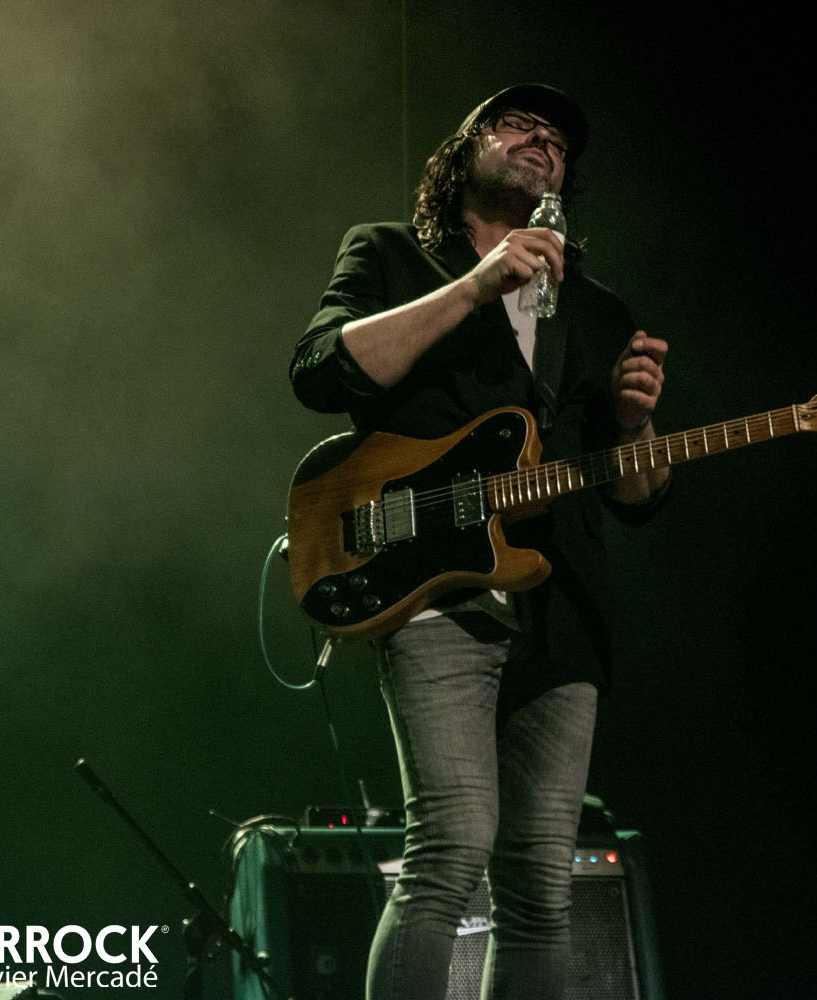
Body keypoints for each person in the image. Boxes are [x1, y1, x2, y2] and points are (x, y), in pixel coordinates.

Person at [289, 84, 668, 999]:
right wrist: (475, 286)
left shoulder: (597, 310)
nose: (543, 140)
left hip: (561, 604)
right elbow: (320, 372)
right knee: (451, 846)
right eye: (518, 125)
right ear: (464, 152)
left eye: (558, 140)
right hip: (434, 586)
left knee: (540, 885)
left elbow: (635, 496)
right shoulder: (389, 253)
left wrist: (635, 423)